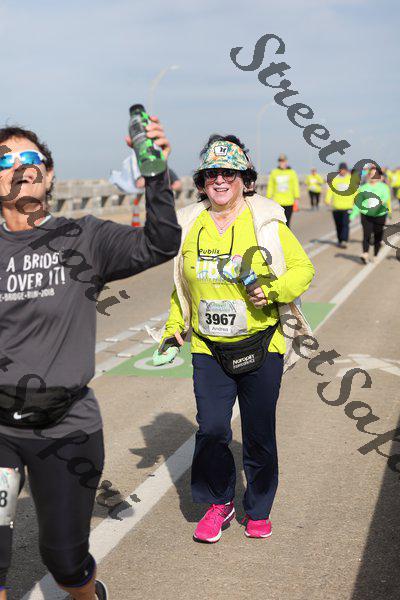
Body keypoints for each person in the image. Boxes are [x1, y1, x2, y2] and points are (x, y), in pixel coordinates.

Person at [0, 119, 180, 599]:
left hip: (65, 429)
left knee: (65, 561)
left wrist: (156, 174)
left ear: (48, 175)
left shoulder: (83, 237)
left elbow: (161, 243)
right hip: (1, 427)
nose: (21, 167)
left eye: (31, 159)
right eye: (5, 160)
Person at [155, 135, 315, 542]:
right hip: (209, 348)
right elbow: (182, 288)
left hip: (261, 343)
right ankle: (219, 503)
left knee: (259, 434)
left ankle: (258, 508)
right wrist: (173, 329)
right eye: (212, 174)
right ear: (202, 182)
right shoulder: (190, 224)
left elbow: (302, 269)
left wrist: (272, 290)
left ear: (246, 180)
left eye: (229, 173)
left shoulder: (266, 222)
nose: (220, 180)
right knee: (211, 429)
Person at [350, 165, 391, 264]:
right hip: (366, 215)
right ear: (368, 176)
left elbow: (386, 197)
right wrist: (352, 215)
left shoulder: (384, 187)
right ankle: (365, 254)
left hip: (379, 215)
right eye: (371, 174)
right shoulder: (364, 188)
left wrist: (380, 202)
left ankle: (376, 254)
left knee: (378, 236)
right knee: (366, 234)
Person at [324, 162, 357, 248]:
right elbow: (330, 191)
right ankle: (340, 240)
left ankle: (344, 240)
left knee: (345, 224)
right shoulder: (334, 180)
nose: (342, 171)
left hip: (348, 206)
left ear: (346, 170)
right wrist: (327, 200)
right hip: (336, 206)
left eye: (344, 169)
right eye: (341, 169)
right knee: (338, 225)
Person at [266, 154, 300, 227]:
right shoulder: (274, 172)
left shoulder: (292, 172)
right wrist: (268, 197)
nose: (282, 162)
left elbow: (295, 186)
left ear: (286, 161)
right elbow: (271, 186)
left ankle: (287, 234)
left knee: (287, 223)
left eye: (283, 161)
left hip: (289, 202)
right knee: (278, 224)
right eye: (280, 161)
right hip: (277, 202)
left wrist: (297, 198)